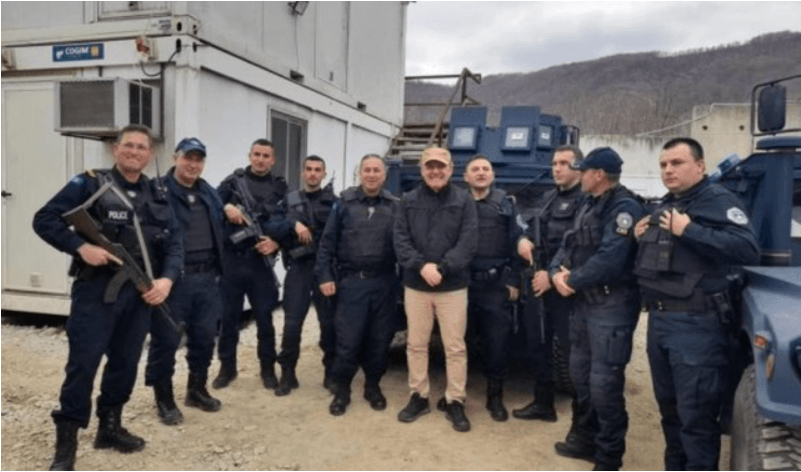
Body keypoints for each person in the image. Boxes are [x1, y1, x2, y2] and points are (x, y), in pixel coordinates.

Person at [33, 125, 183, 470]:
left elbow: (175, 242)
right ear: (116, 149)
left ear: (150, 154)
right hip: (96, 292)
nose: (134, 152)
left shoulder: (158, 194)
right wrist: (80, 247)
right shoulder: (90, 183)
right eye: (128, 145)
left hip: (140, 294)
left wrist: (167, 279)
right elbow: (44, 219)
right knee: (83, 364)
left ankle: (110, 427)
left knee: (125, 362)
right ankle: (67, 442)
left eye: (141, 147)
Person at [634, 138, 759, 470]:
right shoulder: (668, 203)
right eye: (663, 165)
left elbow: (747, 249)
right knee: (670, 412)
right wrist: (642, 233)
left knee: (697, 418)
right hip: (661, 321)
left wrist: (689, 230)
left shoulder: (717, 200)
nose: (668, 170)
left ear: (700, 166)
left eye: (677, 163)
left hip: (696, 326)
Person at [548, 147, 645, 471]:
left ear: (599, 175)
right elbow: (567, 244)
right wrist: (555, 273)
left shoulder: (625, 207)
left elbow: (610, 260)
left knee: (604, 385)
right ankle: (584, 439)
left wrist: (571, 280)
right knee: (581, 378)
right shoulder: (587, 203)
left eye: (583, 170)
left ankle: (608, 457)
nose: (579, 175)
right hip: (584, 305)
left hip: (611, 306)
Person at [394, 147, 478, 432]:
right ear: (422, 170)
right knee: (416, 344)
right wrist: (421, 266)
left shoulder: (464, 201)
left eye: (441, 166)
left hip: (452, 286)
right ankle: (418, 396)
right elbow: (400, 239)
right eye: (429, 166)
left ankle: (455, 400)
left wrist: (443, 268)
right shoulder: (408, 200)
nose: (435, 171)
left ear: (451, 169)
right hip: (417, 285)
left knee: (455, 347)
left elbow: (468, 241)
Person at [144, 137, 225, 425]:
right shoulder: (157, 191)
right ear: (175, 158)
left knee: (204, 338)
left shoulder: (209, 192)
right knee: (166, 341)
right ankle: (164, 398)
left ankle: (197, 390)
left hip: (207, 278)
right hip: (173, 280)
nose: (193, 164)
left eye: (198, 159)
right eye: (187, 158)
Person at [316, 154, 399, 416]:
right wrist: (325, 276)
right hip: (352, 284)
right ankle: (342, 391)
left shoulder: (395, 206)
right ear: (359, 173)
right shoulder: (344, 204)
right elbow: (327, 244)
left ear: (384, 175)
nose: (371, 175)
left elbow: (404, 246)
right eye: (367, 170)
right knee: (347, 342)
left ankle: (372, 387)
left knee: (379, 341)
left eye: (376, 170)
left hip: (384, 284)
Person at [515, 145, 584, 422]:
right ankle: (543, 404)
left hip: (566, 289)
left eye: (564, 163)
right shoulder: (548, 198)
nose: (557, 168)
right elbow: (534, 230)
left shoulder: (586, 201)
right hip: (539, 281)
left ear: (578, 167)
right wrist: (524, 240)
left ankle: (582, 420)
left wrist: (552, 277)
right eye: (555, 163)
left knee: (572, 353)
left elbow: (578, 246)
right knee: (538, 345)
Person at [213, 139, 287, 390]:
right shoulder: (232, 182)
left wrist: (276, 243)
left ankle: (268, 369)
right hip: (232, 262)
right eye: (257, 154)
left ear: (272, 160)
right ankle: (227, 368)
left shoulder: (280, 188)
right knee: (228, 319)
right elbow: (211, 204)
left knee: (265, 320)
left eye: (266, 155)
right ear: (250, 155)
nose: (260, 160)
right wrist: (226, 207)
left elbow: (289, 221)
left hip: (260, 266)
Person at [462, 155, 522, 422]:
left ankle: (495, 397)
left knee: (497, 344)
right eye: (475, 169)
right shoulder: (457, 203)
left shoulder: (506, 205)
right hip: (461, 284)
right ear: (466, 177)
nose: (481, 173)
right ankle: (456, 395)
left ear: (493, 175)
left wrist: (514, 280)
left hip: (495, 286)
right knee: (458, 344)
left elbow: (517, 242)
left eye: (485, 169)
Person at [274, 155, 338, 396]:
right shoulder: (289, 201)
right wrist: (293, 224)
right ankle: (287, 374)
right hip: (299, 268)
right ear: (303, 173)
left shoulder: (335, 202)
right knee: (292, 324)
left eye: (317, 170)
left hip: (325, 269)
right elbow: (272, 225)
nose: (312, 173)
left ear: (323, 174)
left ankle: (331, 373)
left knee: (329, 324)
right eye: (309, 169)